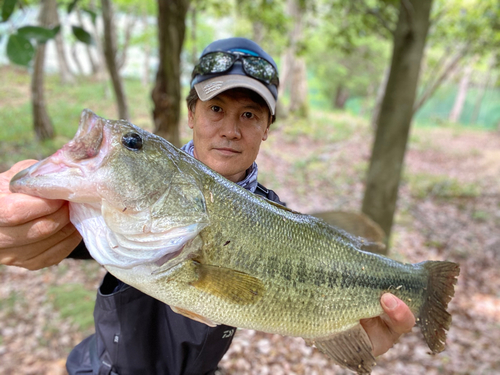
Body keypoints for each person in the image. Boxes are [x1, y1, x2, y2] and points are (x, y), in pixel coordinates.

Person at [0, 38, 415, 374]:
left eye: (250, 114)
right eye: (216, 108)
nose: (230, 130)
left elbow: (295, 303)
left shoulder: (280, 220)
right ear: (192, 113)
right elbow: (52, 234)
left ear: (267, 127)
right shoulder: (127, 198)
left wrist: (348, 334)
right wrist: (25, 227)